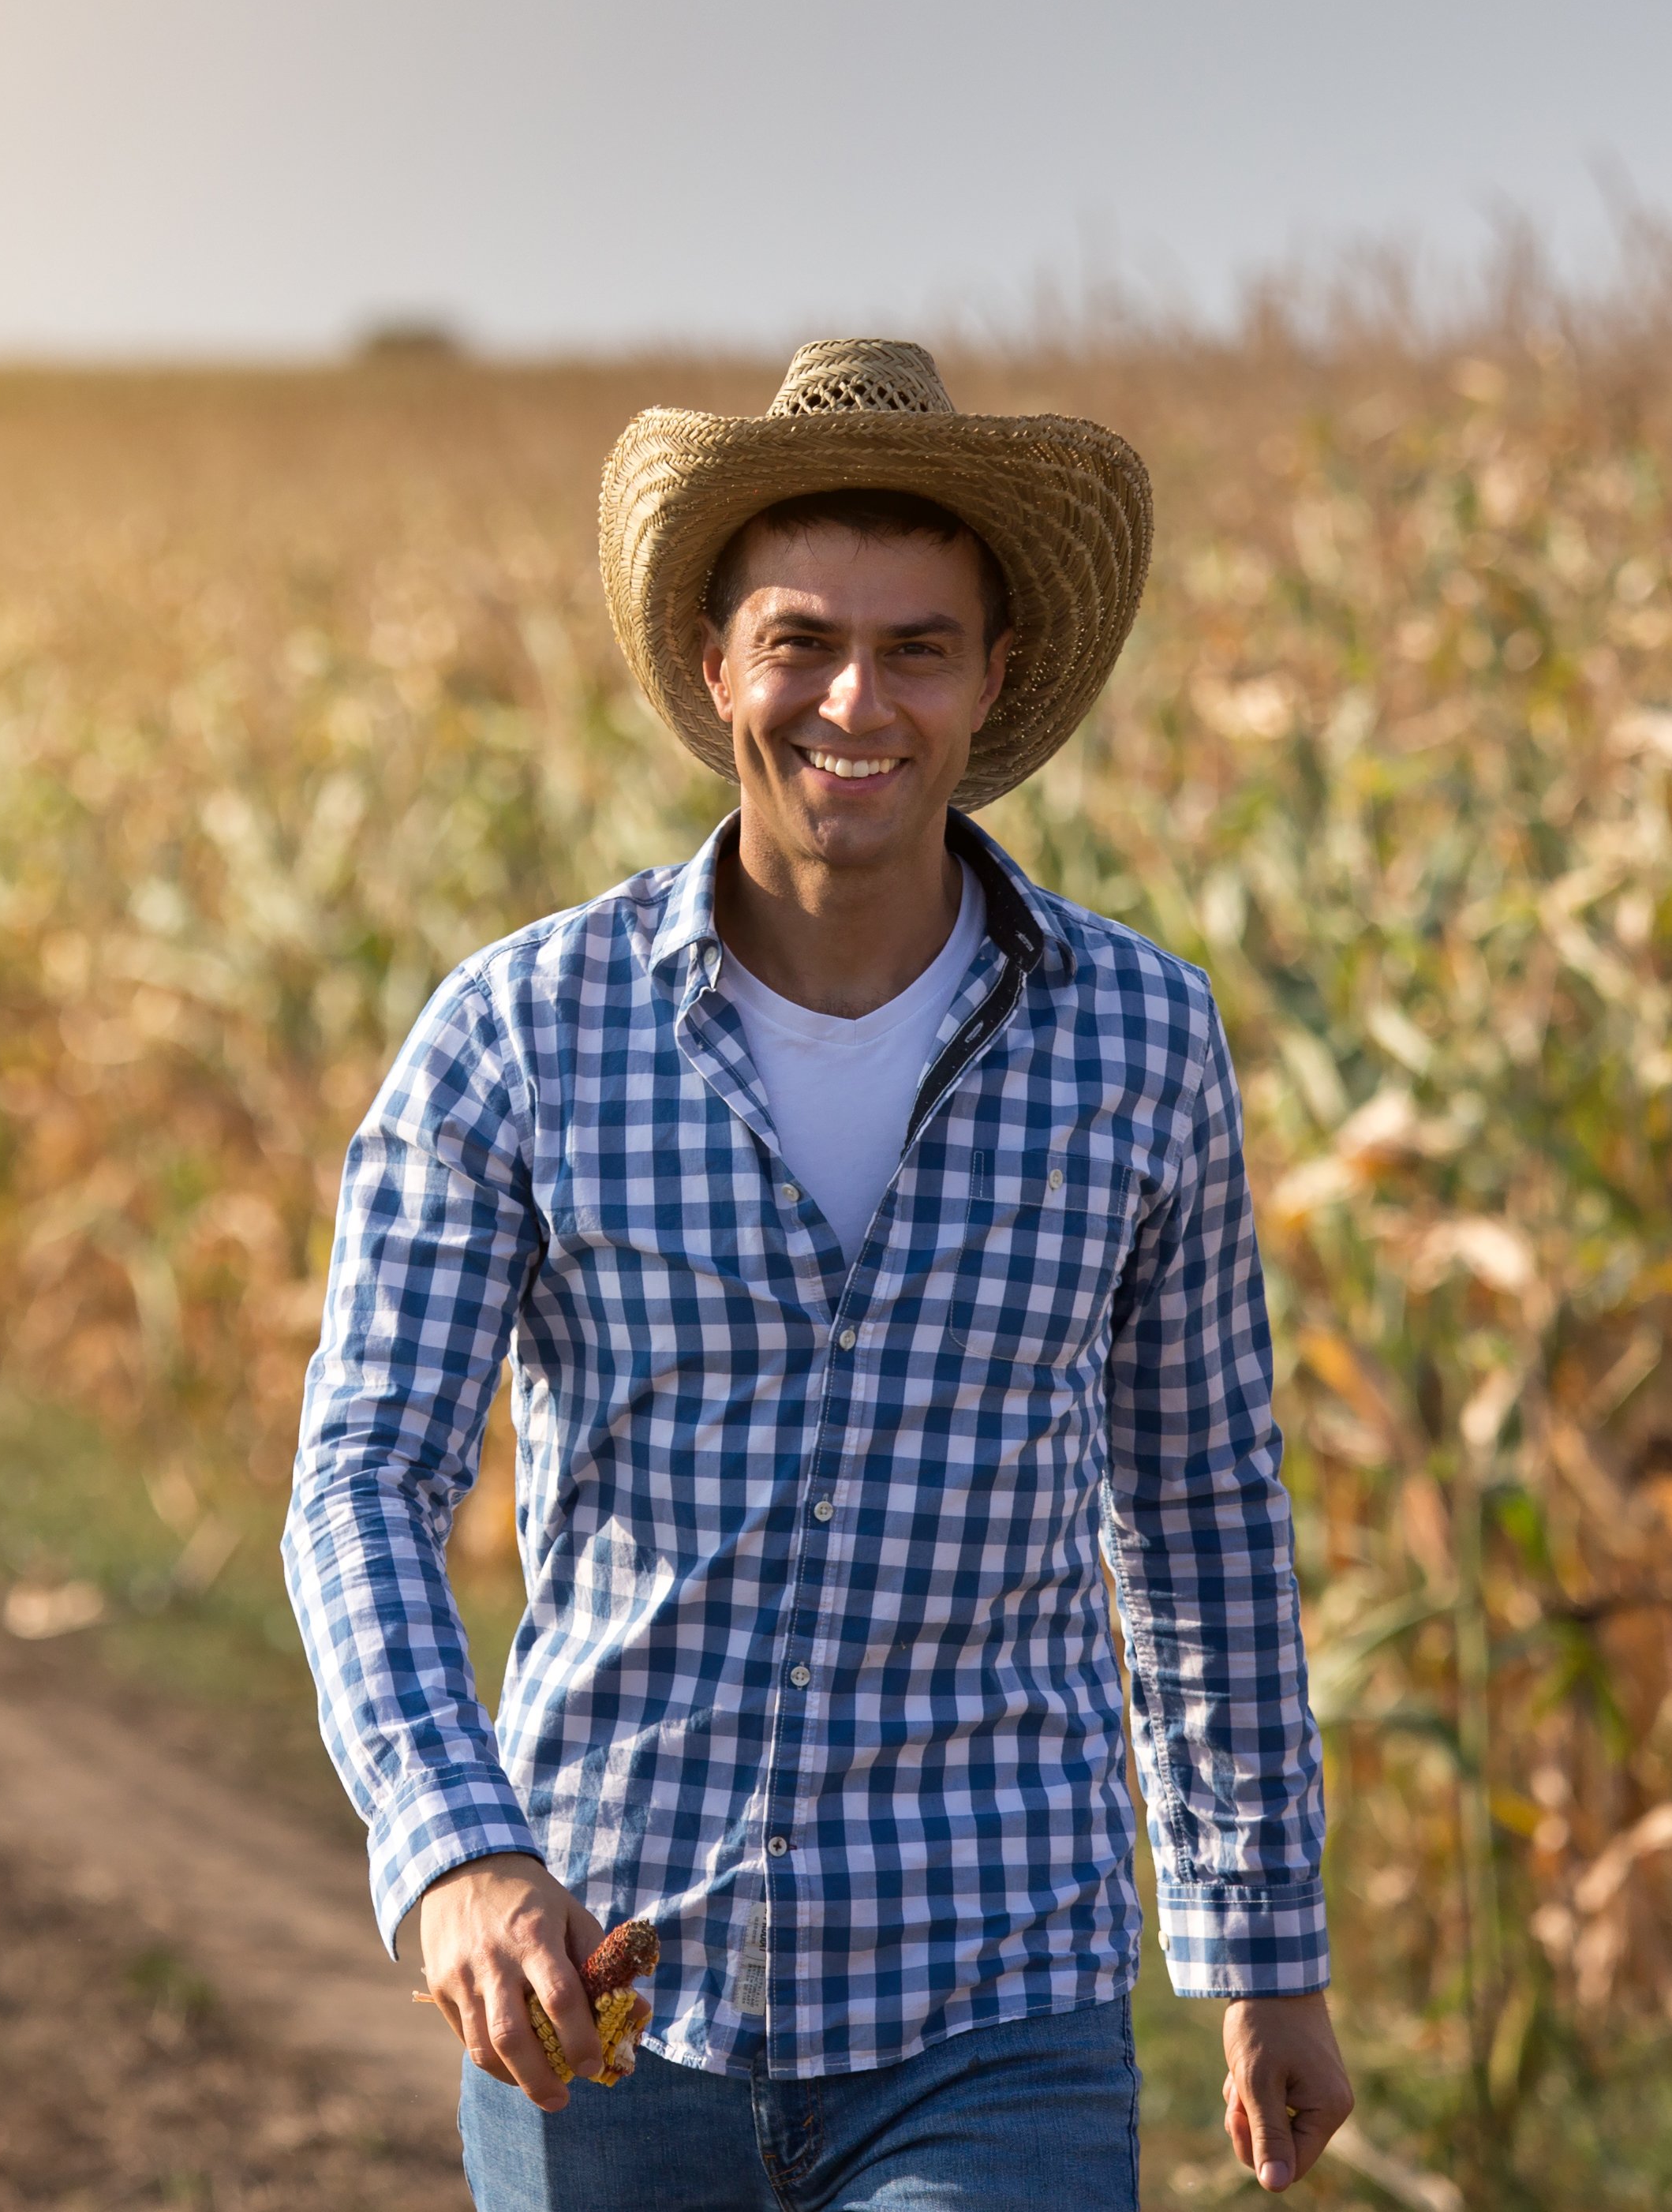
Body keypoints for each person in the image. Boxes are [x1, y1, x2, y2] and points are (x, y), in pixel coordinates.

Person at [286, 339, 1351, 2206]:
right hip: (607, 2001)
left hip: (994, 2003)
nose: (854, 697)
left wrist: (1261, 1945)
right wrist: (455, 1848)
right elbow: (361, 1476)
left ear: (993, 677)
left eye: (916, 644)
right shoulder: (520, 1036)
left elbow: (1197, 1510)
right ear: (716, 667)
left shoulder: (1138, 1042)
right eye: (802, 640)